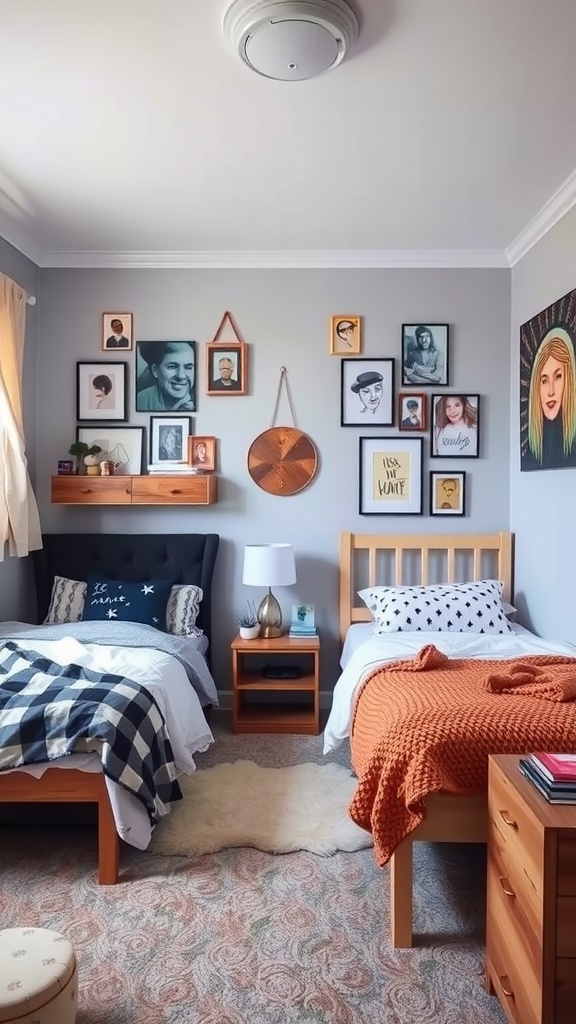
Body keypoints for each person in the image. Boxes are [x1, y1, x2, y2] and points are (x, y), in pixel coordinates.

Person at [525, 329, 576, 470]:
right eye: (544, 380)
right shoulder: (530, 456)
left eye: (558, 377)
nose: (551, 391)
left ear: (570, 379)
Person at [136, 341, 196, 411]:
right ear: (155, 370)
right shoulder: (142, 400)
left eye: (188, 367)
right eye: (172, 367)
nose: (181, 376)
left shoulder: (201, 401)